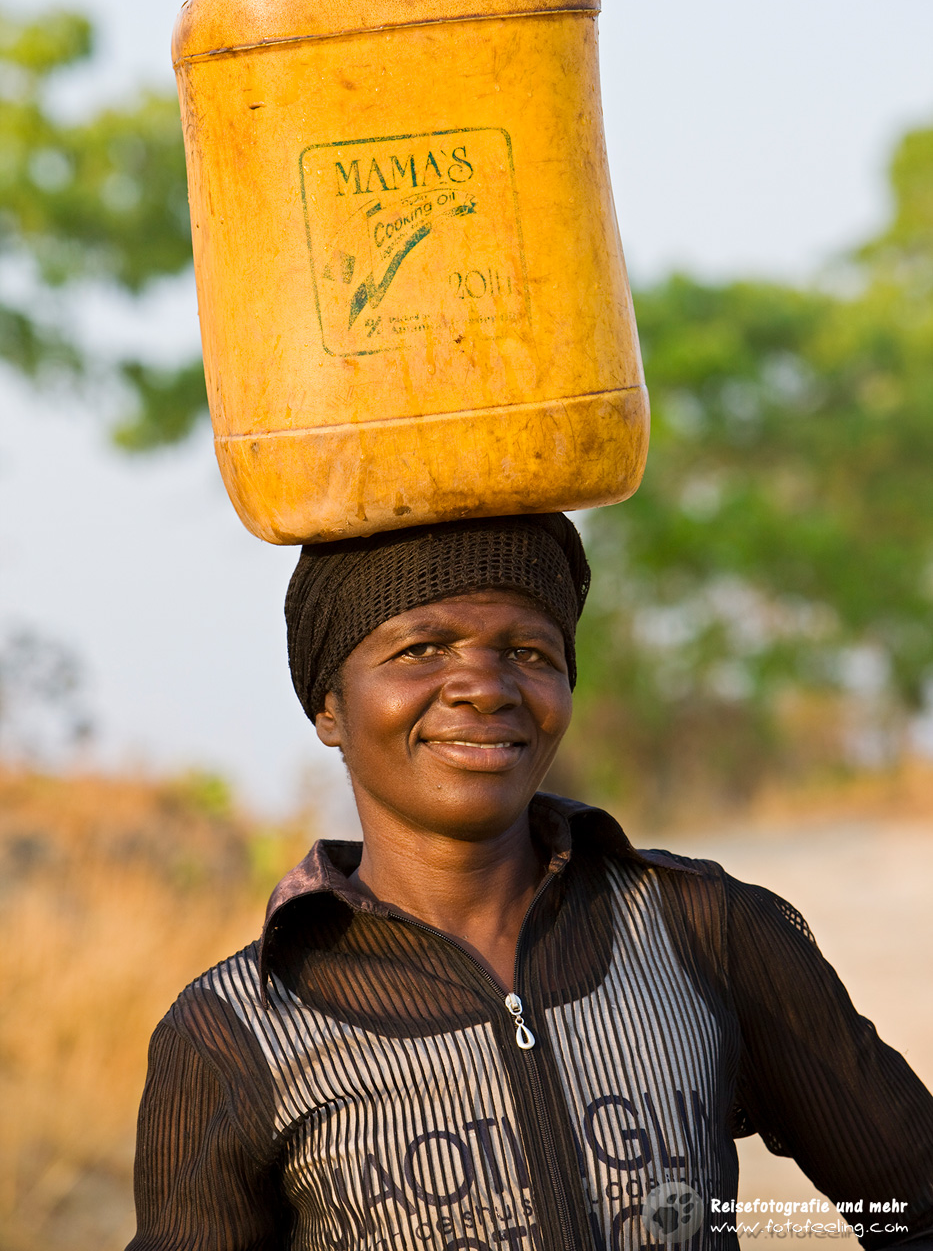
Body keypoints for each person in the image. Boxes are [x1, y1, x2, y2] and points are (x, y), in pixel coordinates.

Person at [128, 514, 933, 1251]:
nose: (486, 685)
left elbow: (913, 1206)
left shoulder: (704, 932)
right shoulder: (236, 1032)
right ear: (329, 706)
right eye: (421, 649)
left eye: (529, 653)